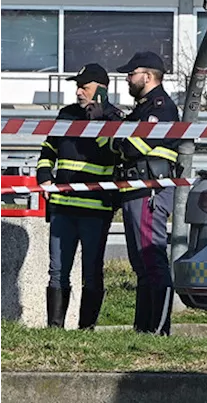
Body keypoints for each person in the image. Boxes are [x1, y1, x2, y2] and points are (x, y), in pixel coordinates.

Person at [36, 64, 124, 330]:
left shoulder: (115, 119)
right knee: (57, 272)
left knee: (91, 274)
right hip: (62, 207)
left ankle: (86, 329)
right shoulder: (66, 115)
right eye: (78, 86)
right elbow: (48, 150)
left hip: (95, 210)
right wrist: (43, 176)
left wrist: (97, 123)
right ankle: (55, 327)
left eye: (84, 87)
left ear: (100, 90)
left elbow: (115, 155)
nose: (78, 92)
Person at [111, 51, 181, 335]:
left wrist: (121, 141)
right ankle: (143, 329)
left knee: (152, 260)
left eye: (132, 73)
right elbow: (119, 144)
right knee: (140, 264)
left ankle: (160, 329)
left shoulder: (161, 108)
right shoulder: (141, 110)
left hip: (148, 190)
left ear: (149, 76)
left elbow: (129, 147)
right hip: (134, 190)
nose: (128, 78)